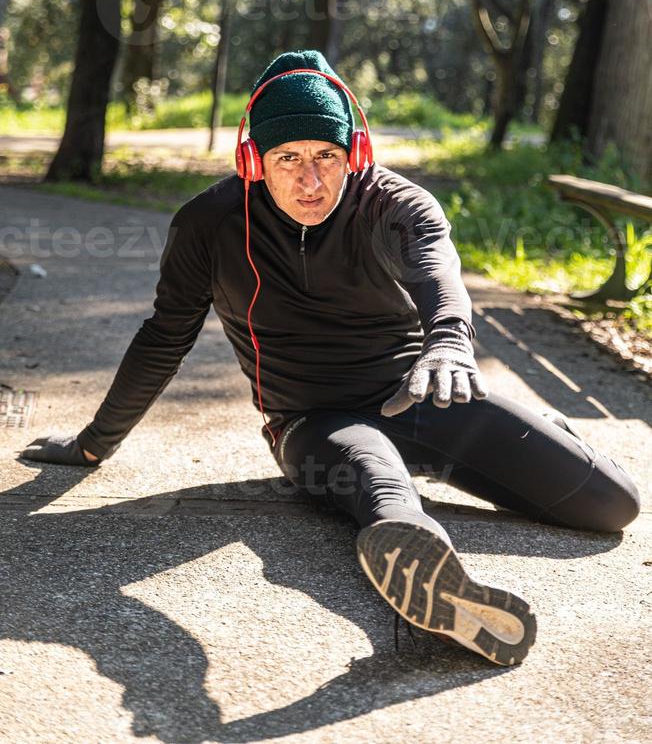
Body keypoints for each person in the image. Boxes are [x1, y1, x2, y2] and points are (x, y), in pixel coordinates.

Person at [22, 49, 640, 666]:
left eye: (327, 157)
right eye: (287, 159)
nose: (309, 180)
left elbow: (439, 277)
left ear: (356, 153)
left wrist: (450, 340)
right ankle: (437, 586)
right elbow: (163, 338)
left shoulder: (397, 205)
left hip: (418, 396)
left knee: (612, 505)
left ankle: (516, 447)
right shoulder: (209, 223)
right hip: (311, 423)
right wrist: (93, 443)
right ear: (254, 159)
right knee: (377, 482)